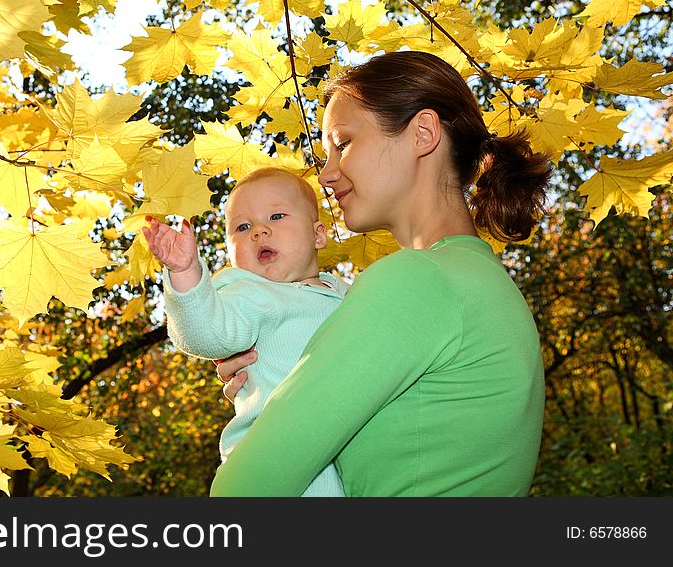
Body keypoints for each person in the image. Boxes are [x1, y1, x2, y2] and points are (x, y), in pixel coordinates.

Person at [210, 50, 552, 497]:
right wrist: (274, 366)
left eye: (343, 143)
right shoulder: (478, 282)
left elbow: (243, 491)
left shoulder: (416, 281)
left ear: (423, 133)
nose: (327, 175)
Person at [142, 166, 350, 497]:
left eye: (277, 215)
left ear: (318, 235)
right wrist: (185, 273)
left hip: (342, 455)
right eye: (242, 227)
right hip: (270, 458)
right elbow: (208, 334)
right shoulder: (246, 291)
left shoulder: (346, 294)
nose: (259, 231)